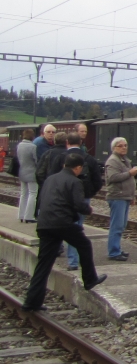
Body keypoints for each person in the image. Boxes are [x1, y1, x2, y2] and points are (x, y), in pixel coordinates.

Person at [22, 153, 107, 312]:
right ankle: (90, 279)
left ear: (64, 165)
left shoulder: (50, 179)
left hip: (44, 224)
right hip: (62, 223)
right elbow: (78, 205)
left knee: (44, 264)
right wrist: (89, 209)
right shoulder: (75, 181)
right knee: (84, 244)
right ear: (78, 168)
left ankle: (31, 302)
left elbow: (41, 200)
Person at [41, 132, 102, 271]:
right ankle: (74, 261)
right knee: (78, 229)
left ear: (67, 142)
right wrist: (88, 194)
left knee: (63, 230)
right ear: (80, 142)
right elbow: (98, 181)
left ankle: (68, 259)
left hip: (61, 200)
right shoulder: (89, 159)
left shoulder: (59, 157)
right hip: (82, 199)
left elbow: (51, 177)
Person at [104, 137, 137, 261]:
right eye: (120, 146)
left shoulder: (124, 160)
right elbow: (112, 177)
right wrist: (130, 173)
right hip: (117, 196)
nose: (124, 147)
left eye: (125, 145)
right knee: (116, 225)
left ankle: (116, 248)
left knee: (121, 225)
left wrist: (131, 196)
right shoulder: (113, 161)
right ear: (113, 148)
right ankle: (113, 251)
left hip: (124, 196)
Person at [31, 125, 56, 219]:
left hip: (43, 174)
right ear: (44, 133)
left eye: (53, 132)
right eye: (48, 132)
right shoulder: (42, 144)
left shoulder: (46, 143)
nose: (51, 134)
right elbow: (44, 160)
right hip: (42, 174)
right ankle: (38, 214)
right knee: (39, 195)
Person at [16, 130, 38, 222]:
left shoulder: (19, 146)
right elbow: (36, 160)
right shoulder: (33, 147)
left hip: (22, 172)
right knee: (32, 194)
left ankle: (21, 215)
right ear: (32, 136)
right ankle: (29, 216)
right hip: (32, 173)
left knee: (23, 194)